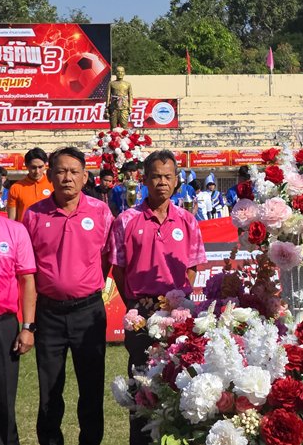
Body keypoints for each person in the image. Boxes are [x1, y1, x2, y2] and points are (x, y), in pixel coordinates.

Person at [110, 150, 205, 445]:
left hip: (178, 314)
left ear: (176, 181)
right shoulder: (126, 220)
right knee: (142, 384)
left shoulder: (188, 220)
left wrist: (176, 300)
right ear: (144, 180)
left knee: (180, 381)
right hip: (141, 312)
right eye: (155, 177)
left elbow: (192, 267)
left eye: (167, 177)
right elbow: (119, 269)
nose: (162, 182)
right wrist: (136, 303)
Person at [22, 147, 114, 445]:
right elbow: (27, 269)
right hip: (49, 315)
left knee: (91, 388)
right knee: (50, 390)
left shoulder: (101, 212)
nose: (67, 178)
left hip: (89, 312)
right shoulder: (33, 215)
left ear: (85, 177)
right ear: (50, 175)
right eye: (60, 171)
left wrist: (83, 284)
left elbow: (107, 257)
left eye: (74, 172)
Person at [0, 168, 35, 445]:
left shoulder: (15, 230)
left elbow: (27, 280)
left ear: (0, 195)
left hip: (1, 326)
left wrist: (28, 327)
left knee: (2, 397)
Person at [7, 147, 51, 221]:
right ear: (27, 165)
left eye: (40, 167)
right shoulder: (16, 187)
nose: (37, 171)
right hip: (24, 228)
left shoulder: (53, 184)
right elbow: (12, 220)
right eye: (33, 167)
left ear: (45, 165)